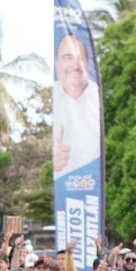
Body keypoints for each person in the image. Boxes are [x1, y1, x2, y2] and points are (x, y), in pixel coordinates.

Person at [52, 33, 101, 177]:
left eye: (80, 58)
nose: (75, 65)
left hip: (94, 185)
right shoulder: (50, 97)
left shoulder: (99, 96)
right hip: (62, 187)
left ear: (88, 63)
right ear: (57, 63)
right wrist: (51, 160)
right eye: (68, 57)